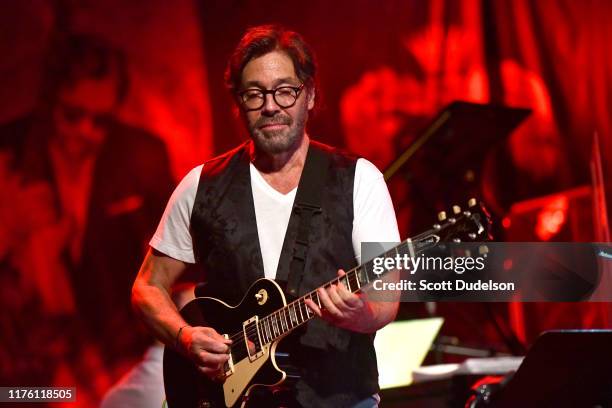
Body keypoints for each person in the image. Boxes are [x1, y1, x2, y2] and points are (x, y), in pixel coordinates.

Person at [132, 25, 400, 407]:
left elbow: (386, 299)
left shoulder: (359, 179)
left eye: (285, 90)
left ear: (309, 95)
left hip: (339, 396)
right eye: (255, 94)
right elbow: (147, 287)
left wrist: (359, 314)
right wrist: (185, 338)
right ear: (239, 103)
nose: (270, 105)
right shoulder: (201, 186)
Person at [0, 33, 174, 375]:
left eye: (101, 121)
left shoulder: (142, 155)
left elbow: (180, 251)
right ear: (50, 100)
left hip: (123, 352)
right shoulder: (8, 152)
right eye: (73, 114)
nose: (85, 131)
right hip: (30, 363)